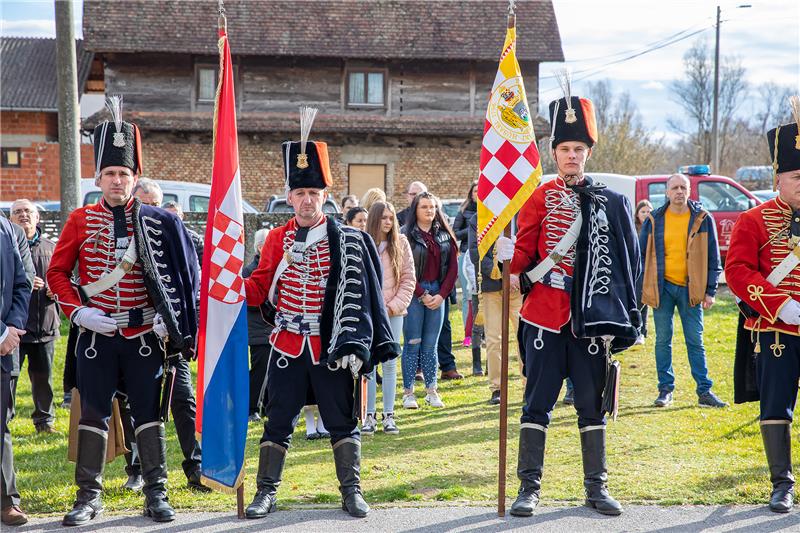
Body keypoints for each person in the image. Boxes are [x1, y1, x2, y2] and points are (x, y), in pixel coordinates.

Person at [47, 97, 199, 525]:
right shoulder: (78, 220)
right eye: (111, 174)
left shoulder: (159, 222)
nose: (117, 181)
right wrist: (77, 313)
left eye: (124, 174)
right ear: (99, 178)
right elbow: (58, 273)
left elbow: (184, 279)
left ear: (135, 179)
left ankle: (156, 493)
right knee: (93, 415)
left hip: (143, 337)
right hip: (96, 335)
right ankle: (88, 497)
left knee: (149, 416)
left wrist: (168, 319)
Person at [242, 108, 399, 519]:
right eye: (300, 193)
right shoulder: (276, 239)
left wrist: (358, 342)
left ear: (324, 196)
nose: (307, 200)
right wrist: (227, 288)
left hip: (328, 347)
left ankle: (352, 491)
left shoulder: (346, 240)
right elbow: (260, 287)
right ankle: (266, 493)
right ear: (289, 197)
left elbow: (365, 297)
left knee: (341, 420)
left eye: (314, 193)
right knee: (277, 421)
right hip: (287, 345)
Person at [496, 88, 641, 517]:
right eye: (565, 148)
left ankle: (596, 489)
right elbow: (524, 255)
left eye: (579, 148)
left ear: (589, 153)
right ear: (554, 153)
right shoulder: (538, 197)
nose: (572, 155)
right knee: (536, 403)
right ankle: (529, 490)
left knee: (590, 404)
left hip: (589, 322)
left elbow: (628, 266)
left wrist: (628, 320)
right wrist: (508, 261)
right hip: (543, 315)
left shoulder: (612, 203)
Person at [726, 104, 800, 513]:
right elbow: (736, 270)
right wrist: (779, 305)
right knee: (776, 408)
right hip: (776, 331)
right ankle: (781, 484)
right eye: (796, 176)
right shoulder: (753, 219)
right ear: (778, 179)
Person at [132, 179, 208, 493]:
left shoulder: (183, 238)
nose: (148, 210)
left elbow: (195, 285)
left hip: (171, 336)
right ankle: (138, 470)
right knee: (137, 407)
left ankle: (195, 467)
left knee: (183, 401)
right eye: (143, 203)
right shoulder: (123, 238)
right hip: (134, 333)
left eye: (154, 204)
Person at [639, 174, 726, 408]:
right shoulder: (654, 219)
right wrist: (640, 290)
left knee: (695, 341)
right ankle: (665, 390)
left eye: (683, 188)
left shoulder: (702, 218)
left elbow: (713, 258)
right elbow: (640, 258)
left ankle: (704, 392)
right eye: (674, 188)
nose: (679, 191)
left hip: (692, 288)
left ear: (689, 191)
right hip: (662, 287)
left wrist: (710, 291)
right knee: (662, 340)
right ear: (667, 192)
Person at [362, 202, 415, 435]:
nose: (388, 222)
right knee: (370, 364)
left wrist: (393, 307)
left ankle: (389, 415)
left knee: (391, 363)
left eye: (391, 218)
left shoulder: (401, 243)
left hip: (393, 313)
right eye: (383, 218)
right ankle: (369, 415)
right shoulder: (363, 242)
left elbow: (408, 279)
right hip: (370, 312)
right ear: (375, 219)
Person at [401, 191, 458, 409]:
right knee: (412, 343)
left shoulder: (444, 234)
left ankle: (431, 390)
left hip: (438, 292)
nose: (429, 210)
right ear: (415, 209)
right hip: (415, 292)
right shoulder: (406, 234)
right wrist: (421, 294)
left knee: (431, 345)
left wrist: (441, 295)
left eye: (432, 207)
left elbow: (452, 269)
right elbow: (403, 269)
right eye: (424, 206)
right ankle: (408, 393)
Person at [9, 200, 60, 433]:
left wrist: (55, 288)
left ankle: (45, 421)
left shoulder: (53, 247)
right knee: (9, 379)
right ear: (10, 219)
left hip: (45, 323)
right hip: (15, 328)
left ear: (38, 218)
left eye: (28, 211)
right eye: (17, 212)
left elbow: (67, 278)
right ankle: (5, 419)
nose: (23, 215)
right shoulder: (7, 247)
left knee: (44, 379)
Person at [468, 212, 522, 405]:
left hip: (519, 285)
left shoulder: (522, 212)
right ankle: (497, 388)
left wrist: (516, 274)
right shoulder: (480, 217)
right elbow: (477, 253)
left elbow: (530, 246)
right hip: (492, 286)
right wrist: (502, 275)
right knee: (493, 339)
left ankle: (529, 385)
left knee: (524, 337)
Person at [0, 215, 32, 527]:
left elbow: (23, 282)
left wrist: (12, 328)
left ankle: (7, 501)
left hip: (5, 348)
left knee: (1, 427)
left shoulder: (8, 228)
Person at [244, 228, 271, 423]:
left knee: (274, 370)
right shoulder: (250, 271)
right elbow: (250, 301)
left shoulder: (274, 267)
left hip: (273, 327)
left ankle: (267, 406)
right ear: (261, 247)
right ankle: (251, 407)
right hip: (258, 329)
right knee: (260, 369)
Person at [452, 181, 478, 348]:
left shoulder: (490, 211)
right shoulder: (464, 211)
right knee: (468, 296)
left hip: (484, 255)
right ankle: (468, 333)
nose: (478, 193)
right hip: (466, 255)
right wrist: (472, 230)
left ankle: (480, 332)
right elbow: (455, 233)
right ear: (471, 193)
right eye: (475, 191)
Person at [632, 200, 653, 346]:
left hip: (649, 270)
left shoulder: (655, 228)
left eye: (648, 211)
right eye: (643, 211)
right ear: (637, 213)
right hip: (634, 270)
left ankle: (641, 331)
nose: (646, 214)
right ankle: (634, 330)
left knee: (644, 301)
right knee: (635, 301)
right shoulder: (632, 228)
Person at [162, 201, 204, 265]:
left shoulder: (194, 238)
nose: (171, 218)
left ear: (182, 216)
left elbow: (203, 264)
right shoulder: (156, 235)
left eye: (175, 215)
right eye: (167, 215)